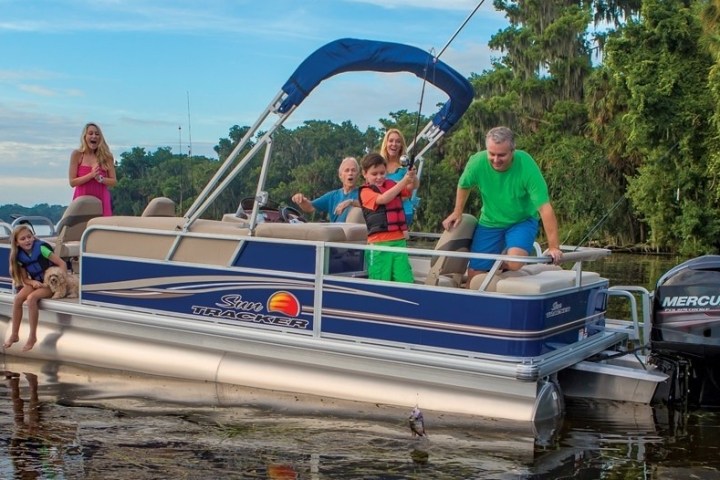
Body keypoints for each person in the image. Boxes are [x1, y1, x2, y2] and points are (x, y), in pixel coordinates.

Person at [442, 126, 562, 284]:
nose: (496, 160)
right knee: (474, 278)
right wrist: (457, 211)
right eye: (491, 154)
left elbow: (544, 208)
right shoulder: (477, 162)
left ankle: (499, 266)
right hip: (490, 222)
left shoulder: (526, 165)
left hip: (521, 221)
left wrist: (554, 246)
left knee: (515, 261)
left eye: (501, 155)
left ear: (513, 151)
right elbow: (464, 184)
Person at [3, 225, 67, 351]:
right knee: (18, 299)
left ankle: (32, 337)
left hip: (50, 283)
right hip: (36, 281)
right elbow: (24, 279)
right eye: (23, 239)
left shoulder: (42, 249)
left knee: (31, 299)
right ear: (17, 242)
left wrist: (61, 283)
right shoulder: (19, 256)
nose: (27, 240)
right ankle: (14, 334)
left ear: (33, 237)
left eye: (29, 237)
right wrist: (32, 282)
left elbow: (62, 263)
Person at [358, 152, 416, 283]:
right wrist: (404, 181)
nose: (379, 177)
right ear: (364, 174)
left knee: (405, 281)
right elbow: (383, 199)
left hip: (399, 242)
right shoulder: (365, 192)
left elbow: (411, 187)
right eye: (374, 174)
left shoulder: (392, 184)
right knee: (380, 282)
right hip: (379, 245)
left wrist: (412, 175)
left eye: (382, 173)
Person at [68, 122, 116, 216]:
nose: (94, 136)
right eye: (90, 133)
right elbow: (72, 182)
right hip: (82, 200)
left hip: (102, 199)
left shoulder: (107, 157)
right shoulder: (77, 155)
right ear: (85, 136)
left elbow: (114, 181)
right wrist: (91, 175)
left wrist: (101, 179)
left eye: (97, 134)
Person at [292, 156, 360, 222]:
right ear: (340, 175)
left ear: (358, 175)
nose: (350, 173)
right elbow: (310, 207)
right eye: (347, 170)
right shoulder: (332, 196)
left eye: (353, 170)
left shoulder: (364, 193)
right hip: (337, 232)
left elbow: (369, 205)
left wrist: (350, 202)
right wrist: (301, 200)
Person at [380, 128, 420, 226]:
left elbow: (410, 189)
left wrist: (413, 175)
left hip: (403, 212)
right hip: (382, 212)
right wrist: (399, 185)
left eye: (398, 142)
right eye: (391, 141)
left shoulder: (406, 166)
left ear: (401, 145)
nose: (394, 144)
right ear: (386, 143)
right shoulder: (379, 164)